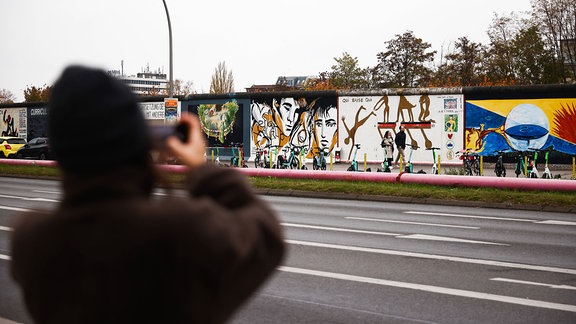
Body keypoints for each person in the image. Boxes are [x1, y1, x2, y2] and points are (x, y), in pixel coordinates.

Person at [10, 65, 285, 324]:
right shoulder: (177, 230)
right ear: (136, 142)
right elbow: (266, 234)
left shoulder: (32, 242)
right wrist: (200, 166)